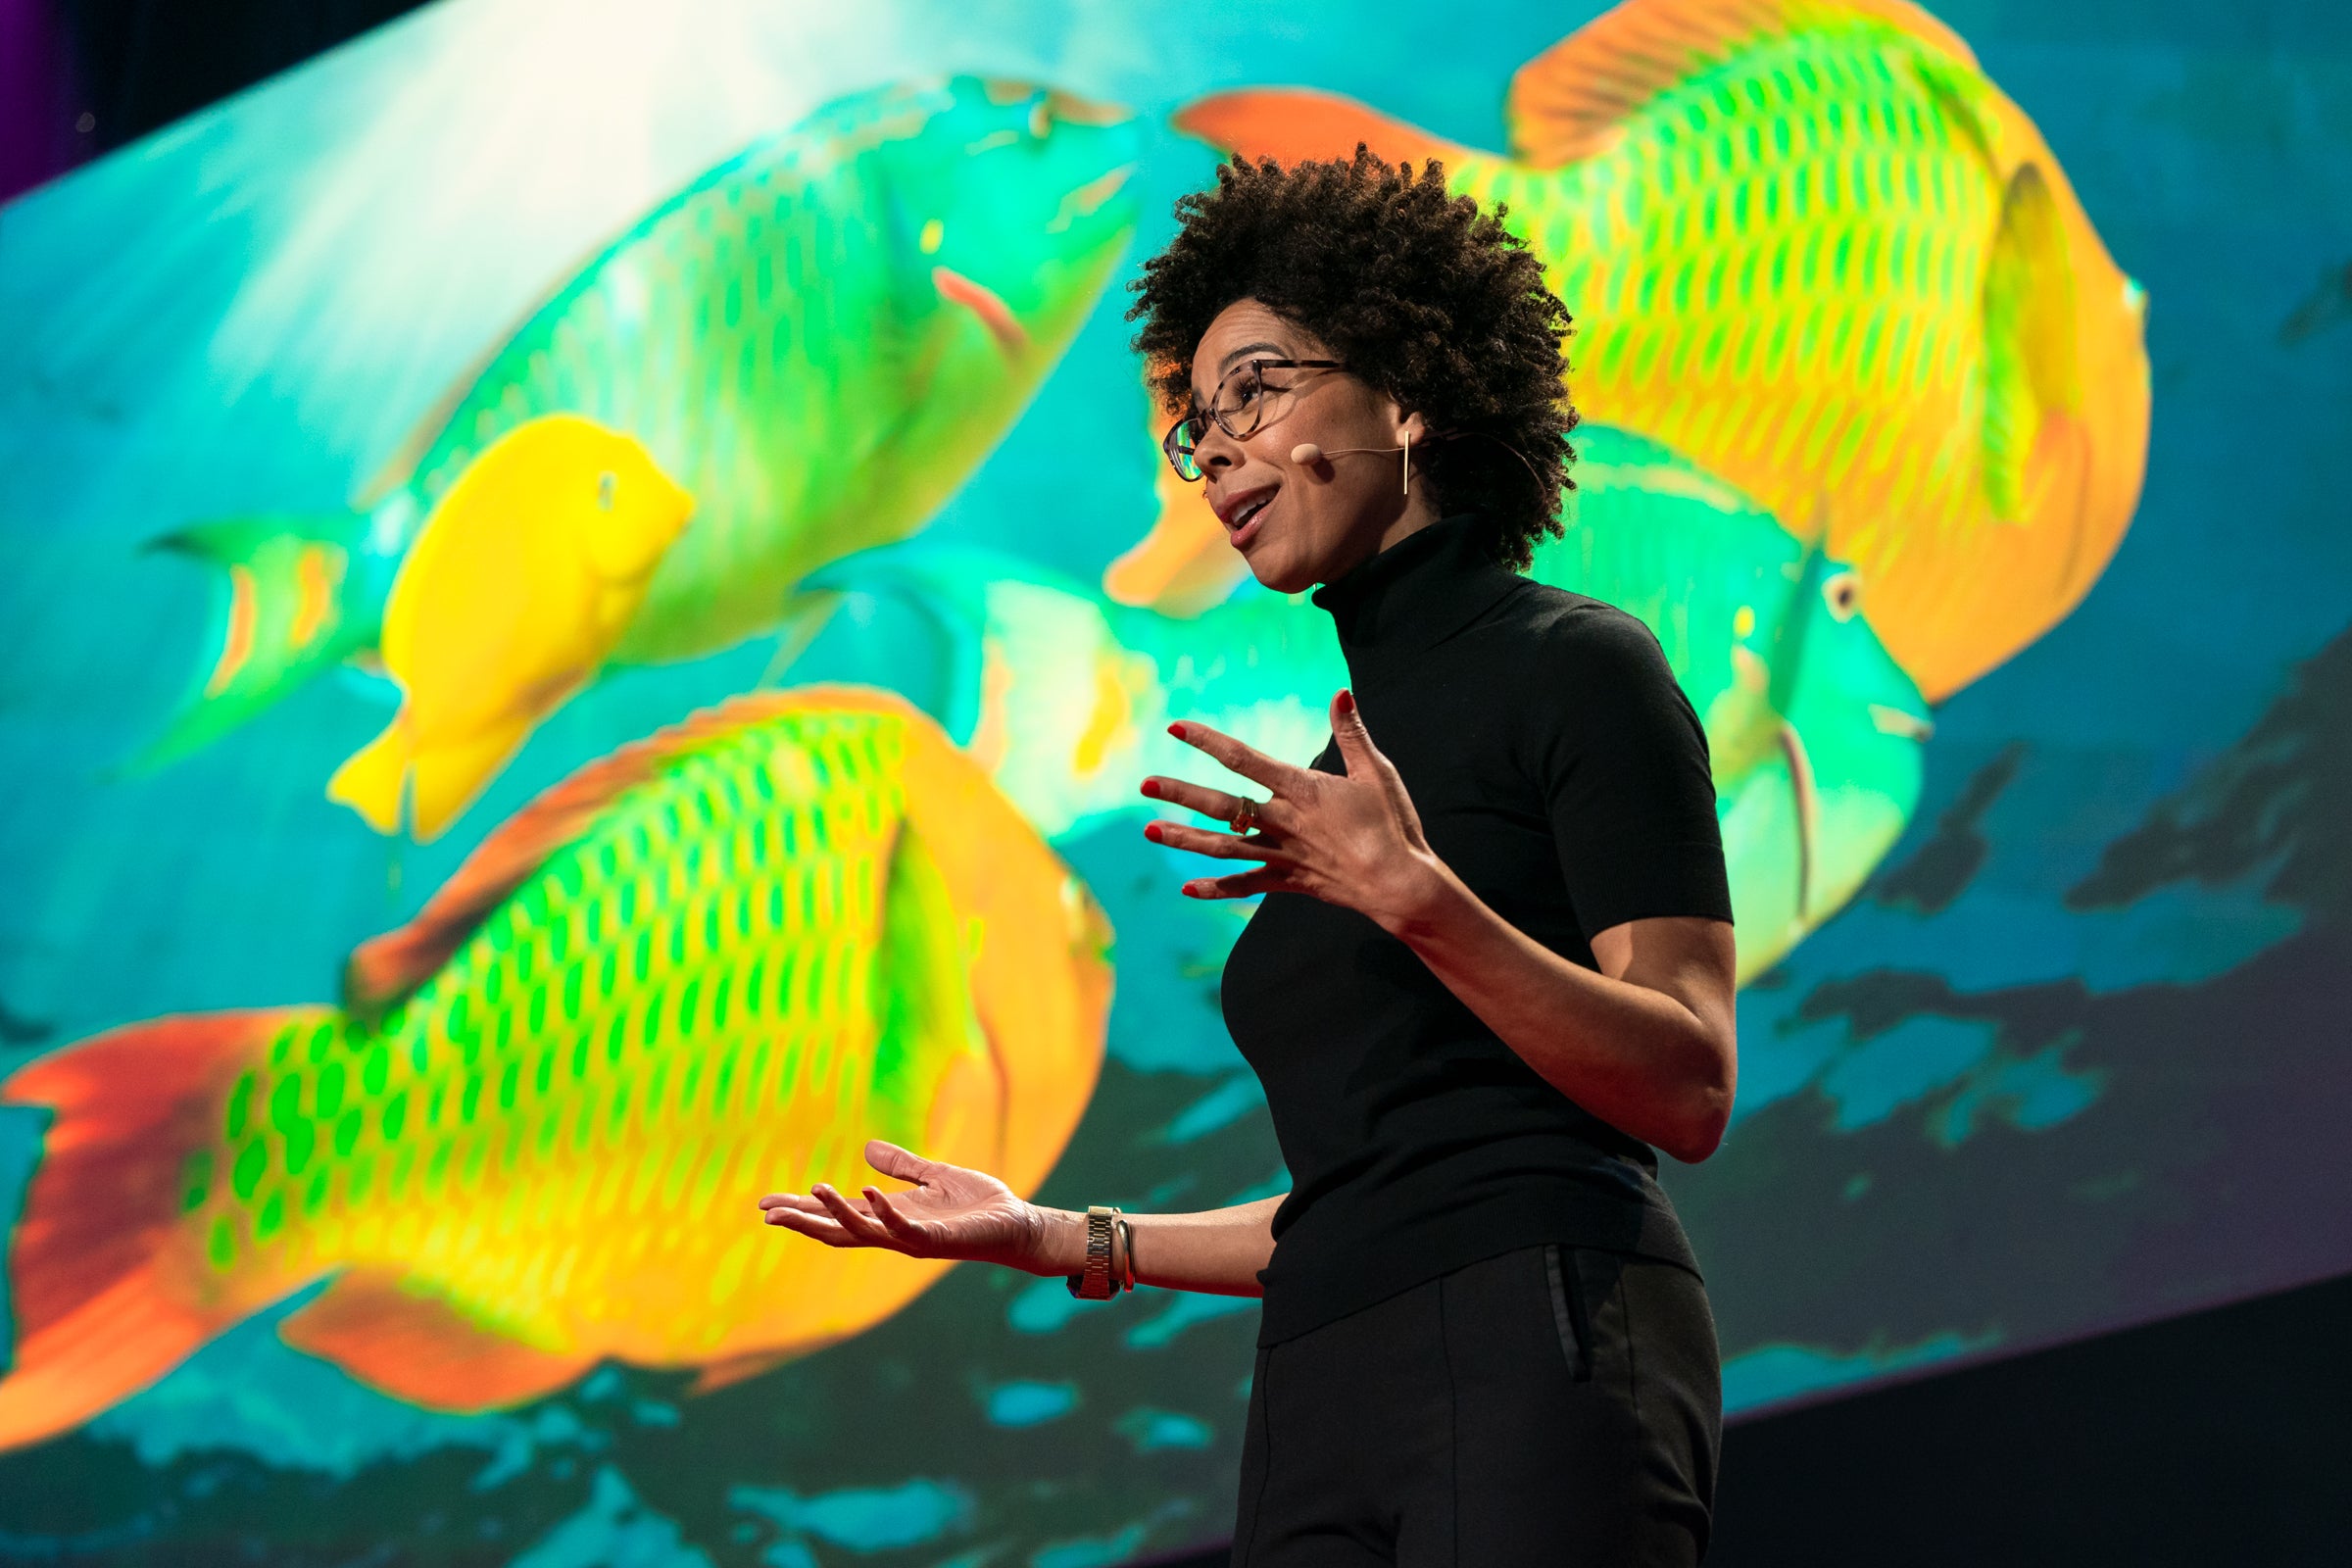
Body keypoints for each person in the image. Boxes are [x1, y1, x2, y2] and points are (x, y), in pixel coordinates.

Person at [759, 149, 1738, 1567]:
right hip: (1323, 1380)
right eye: (1195, 423)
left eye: (1259, 389)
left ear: (1408, 390)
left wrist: (1417, 901)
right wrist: (1064, 1236)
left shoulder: (1581, 671)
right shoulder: (1348, 768)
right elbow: (1366, 1199)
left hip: (1549, 1324)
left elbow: (1688, 1082)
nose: (1214, 447)